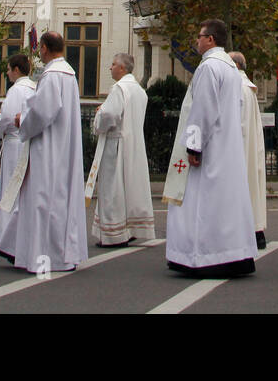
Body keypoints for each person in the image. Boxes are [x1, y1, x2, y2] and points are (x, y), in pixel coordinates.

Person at [164, 20, 256, 278]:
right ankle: (232, 253)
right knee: (225, 203)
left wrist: (194, 146)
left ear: (211, 40)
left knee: (200, 203)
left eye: (199, 36)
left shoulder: (208, 67)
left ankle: (202, 255)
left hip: (211, 147)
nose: (196, 40)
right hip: (227, 145)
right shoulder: (230, 67)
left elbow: (203, 110)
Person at [0, 32, 88, 273]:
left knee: (43, 201)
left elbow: (43, 112)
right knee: (56, 200)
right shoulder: (68, 73)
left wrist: (21, 119)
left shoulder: (52, 74)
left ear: (44, 48)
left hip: (48, 149)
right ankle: (50, 252)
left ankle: (47, 255)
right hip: (62, 146)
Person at [86, 53, 154, 246]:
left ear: (122, 69)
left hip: (116, 145)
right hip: (134, 144)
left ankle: (113, 233)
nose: (110, 68)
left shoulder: (119, 88)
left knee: (113, 189)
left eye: (113, 64)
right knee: (130, 188)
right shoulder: (140, 91)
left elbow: (109, 115)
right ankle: (130, 228)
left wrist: (98, 116)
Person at [0, 53, 36, 250]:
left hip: (14, 143)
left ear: (16, 70)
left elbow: (8, 117)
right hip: (27, 143)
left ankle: (6, 235)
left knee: (10, 188)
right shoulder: (35, 87)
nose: (7, 73)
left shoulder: (17, 90)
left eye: (8, 69)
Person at [229, 51, 268, 250]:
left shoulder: (236, 87)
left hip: (239, 148)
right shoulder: (247, 87)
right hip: (250, 147)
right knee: (253, 185)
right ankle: (256, 230)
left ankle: (244, 231)